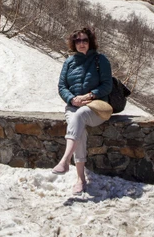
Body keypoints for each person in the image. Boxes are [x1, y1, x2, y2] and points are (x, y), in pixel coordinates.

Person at [52, 27, 113, 194]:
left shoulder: (101, 60)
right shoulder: (69, 62)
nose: (81, 44)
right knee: (79, 129)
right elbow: (62, 86)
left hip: (96, 108)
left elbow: (108, 85)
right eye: (78, 41)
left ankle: (64, 161)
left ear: (90, 42)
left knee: (80, 116)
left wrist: (88, 96)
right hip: (73, 105)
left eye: (85, 40)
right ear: (73, 43)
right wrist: (72, 99)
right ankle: (80, 179)